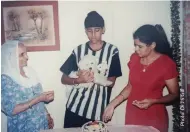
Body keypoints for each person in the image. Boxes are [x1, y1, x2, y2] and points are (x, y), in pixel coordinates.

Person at [103, 24, 179, 132]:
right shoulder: (134, 59)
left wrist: (154, 101)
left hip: (154, 116)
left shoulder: (166, 64)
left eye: (140, 46)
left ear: (152, 45)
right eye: (135, 45)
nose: (136, 49)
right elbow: (130, 86)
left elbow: (174, 95)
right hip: (132, 114)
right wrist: (112, 104)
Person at [60, 11, 122, 128]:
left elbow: (111, 82)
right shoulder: (78, 50)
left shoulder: (112, 51)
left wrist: (95, 77)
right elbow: (63, 78)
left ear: (103, 30)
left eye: (97, 30)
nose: (93, 35)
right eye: (89, 31)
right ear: (85, 31)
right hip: (74, 108)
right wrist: (78, 80)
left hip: (97, 111)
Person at [1, 40, 54, 132]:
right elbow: (11, 110)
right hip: (22, 127)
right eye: (22, 54)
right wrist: (38, 99)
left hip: (41, 124)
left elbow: (39, 96)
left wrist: (47, 114)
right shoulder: (5, 79)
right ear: (11, 57)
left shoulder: (30, 72)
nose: (27, 57)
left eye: (26, 53)